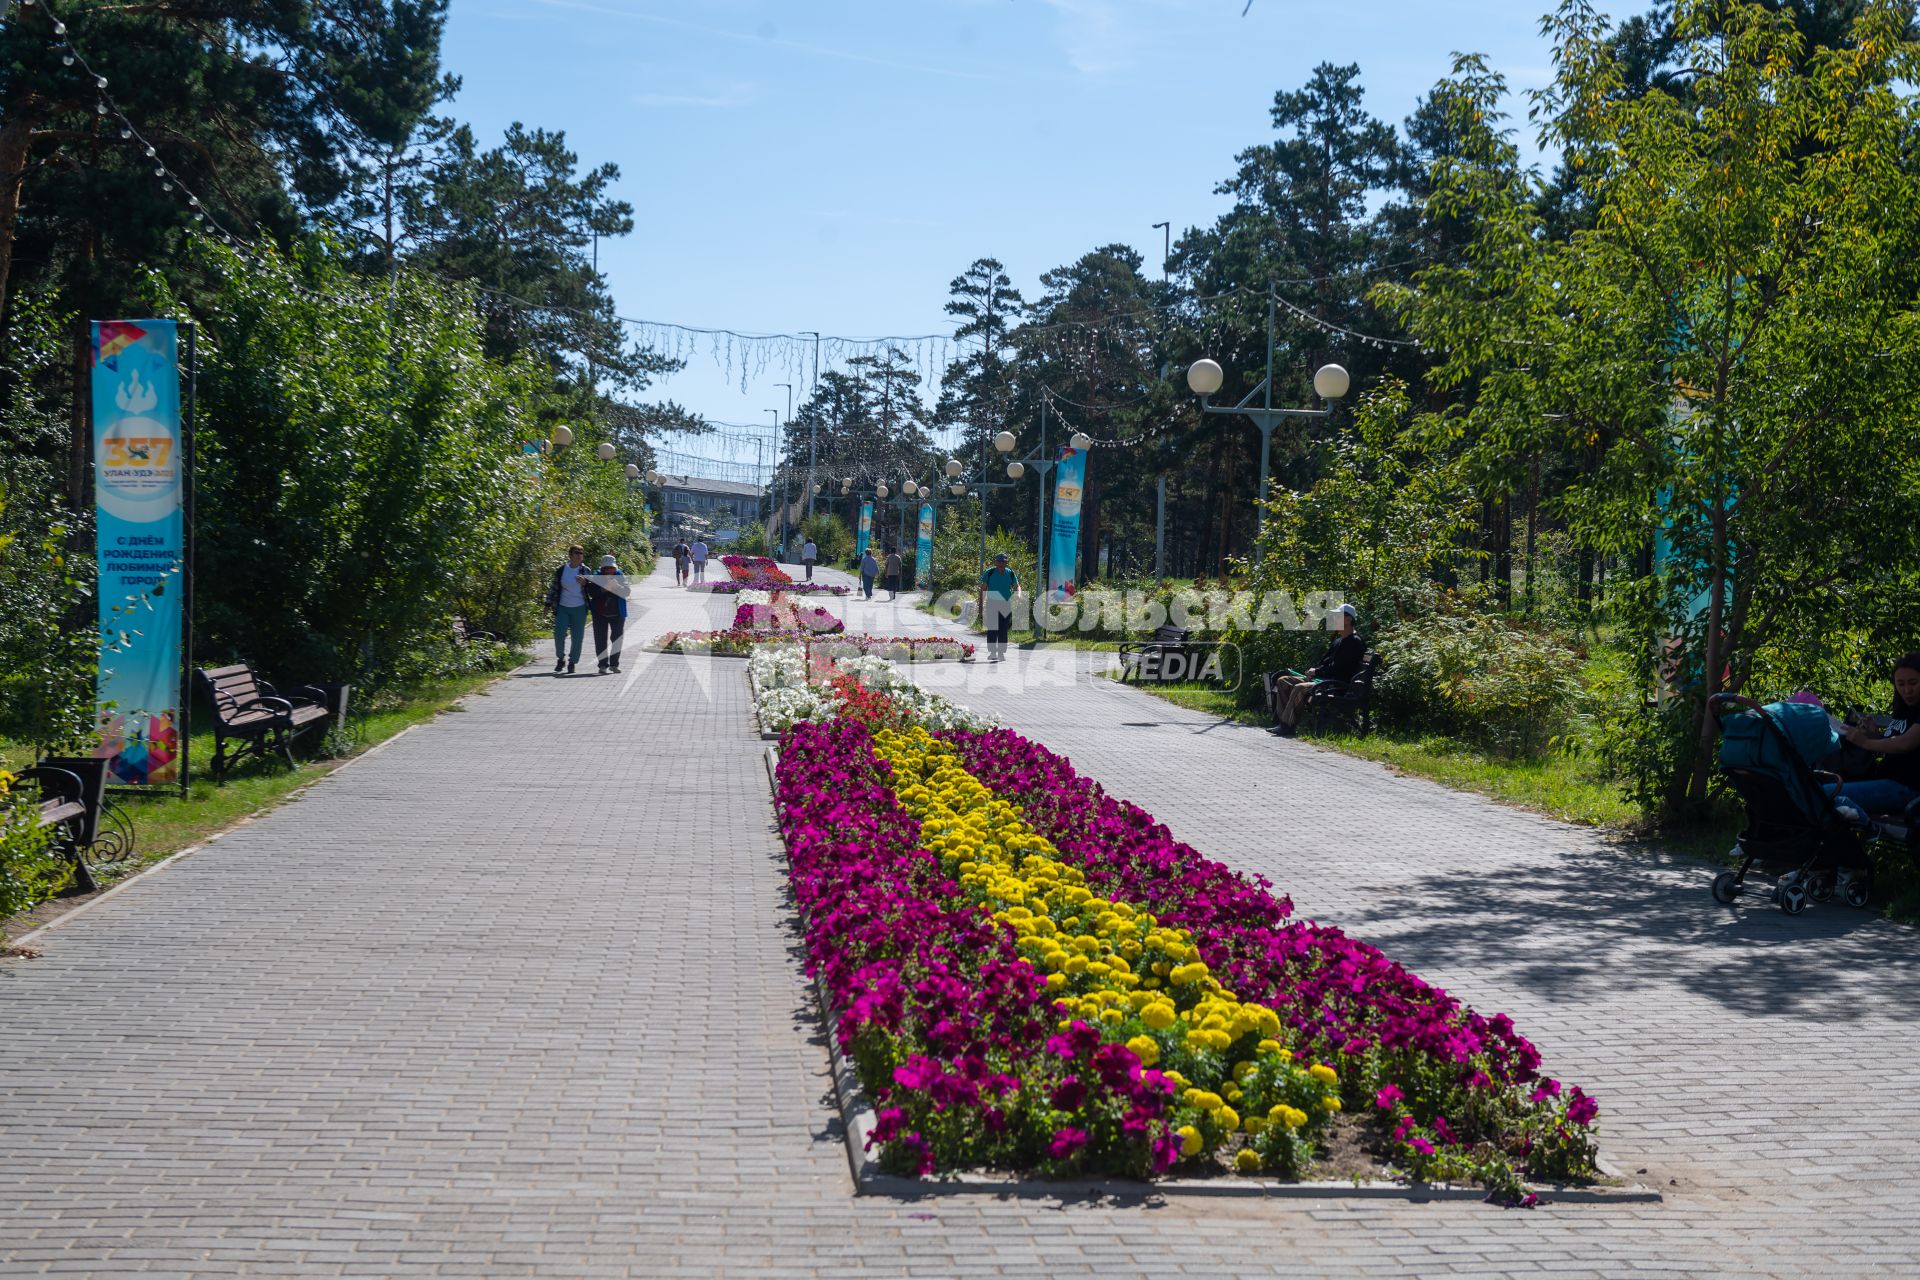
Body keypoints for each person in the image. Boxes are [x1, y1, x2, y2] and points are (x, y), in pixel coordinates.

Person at [1831, 652, 1920, 820]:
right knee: (1815, 788)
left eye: (1913, 683)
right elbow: (1895, 745)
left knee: (1824, 794)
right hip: (1887, 781)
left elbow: (1905, 744)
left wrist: (1864, 742)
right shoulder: (1906, 709)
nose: (1907, 690)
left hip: (1909, 790)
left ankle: (1867, 828)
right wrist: (1874, 736)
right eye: (1900, 684)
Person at [1266, 603, 1366, 736]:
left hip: (1336, 685)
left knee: (1300, 688)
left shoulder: (1354, 642)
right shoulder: (1339, 641)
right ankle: (1283, 722)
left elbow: (1339, 670)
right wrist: (1314, 671)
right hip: (1323, 680)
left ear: (1348, 619)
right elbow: (1325, 663)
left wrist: (1317, 672)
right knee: (1283, 681)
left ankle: (1287, 726)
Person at [544, 544, 591, 674]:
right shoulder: (561, 570)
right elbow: (553, 587)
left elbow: (592, 589)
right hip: (563, 607)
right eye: (576, 552)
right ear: (570, 555)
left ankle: (572, 662)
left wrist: (586, 583)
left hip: (580, 608)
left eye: (581, 553)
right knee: (559, 634)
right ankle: (560, 658)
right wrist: (547, 605)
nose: (579, 555)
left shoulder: (585, 570)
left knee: (577, 637)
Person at [583, 555, 631, 675]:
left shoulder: (620, 576)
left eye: (611, 568)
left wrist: (616, 586)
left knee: (617, 639)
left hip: (618, 613)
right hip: (599, 613)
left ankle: (614, 665)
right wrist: (602, 590)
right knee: (600, 640)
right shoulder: (596, 576)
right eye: (607, 568)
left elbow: (627, 592)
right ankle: (602, 665)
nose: (610, 570)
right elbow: (591, 592)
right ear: (602, 568)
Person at [979, 552, 1020, 663]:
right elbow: (983, 589)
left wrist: (1018, 594)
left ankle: (1001, 653)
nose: (1001, 563)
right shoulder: (990, 572)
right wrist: (981, 605)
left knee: (1003, 630)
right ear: (996, 562)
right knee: (992, 629)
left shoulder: (1010, 573)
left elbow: (1017, 586)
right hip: (992, 603)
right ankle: (992, 652)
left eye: (1003, 561)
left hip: (1006, 604)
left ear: (1006, 562)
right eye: (999, 561)